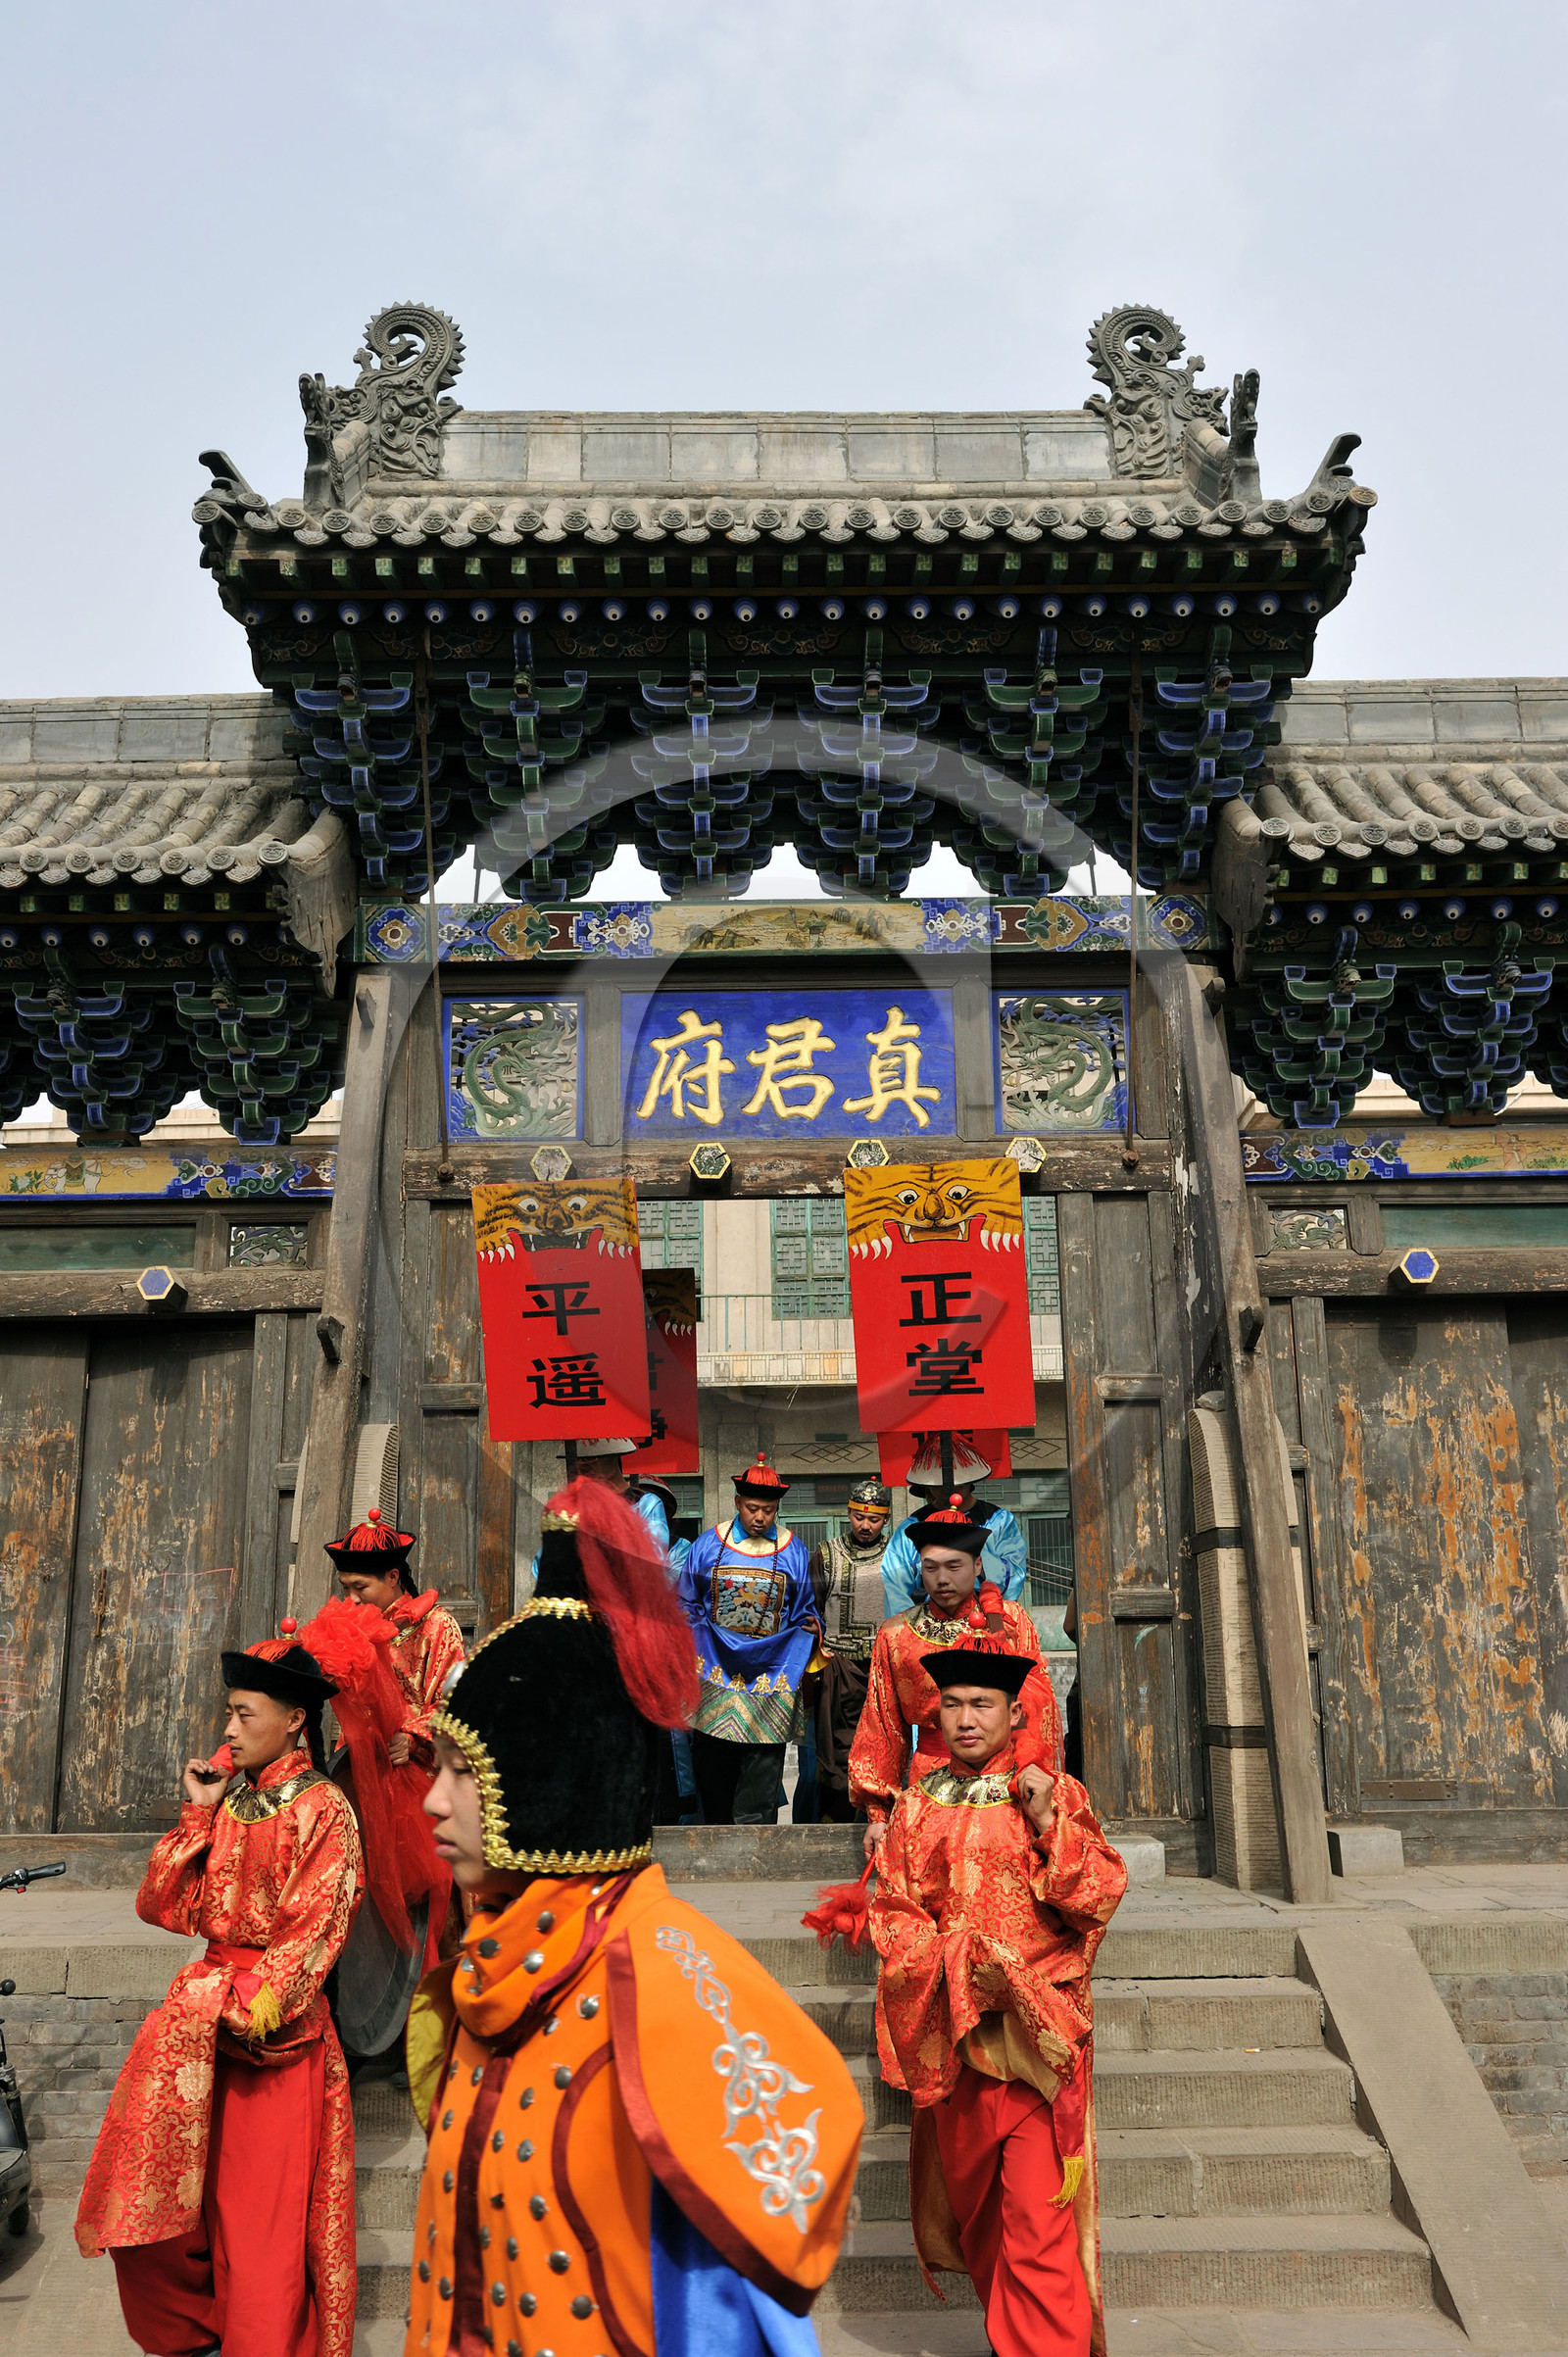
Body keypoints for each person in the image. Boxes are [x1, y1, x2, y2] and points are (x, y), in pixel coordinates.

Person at [404, 1475, 862, 2357]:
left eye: (464, 1771)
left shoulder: (654, 1968)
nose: (432, 1800)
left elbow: (808, 2133)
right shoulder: (484, 1967)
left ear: (547, 1788)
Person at [76, 1628, 364, 2357]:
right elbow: (166, 1906)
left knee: (259, 2225)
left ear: (293, 1718)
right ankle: (197, 2333)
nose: (228, 1730)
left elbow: (312, 1936)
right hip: (201, 2030)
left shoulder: (325, 1809)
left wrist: (235, 2006)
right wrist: (198, 1811)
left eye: (243, 1713)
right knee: (167, 2204)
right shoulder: (232, 1802)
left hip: (271, 2039)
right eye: (228, 1713)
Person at [868, 1644, 1127, 2357]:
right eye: (952, 1704)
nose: (965, 1718)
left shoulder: (1055, 1795)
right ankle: (1011, 2336)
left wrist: (1047, 1823)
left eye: (982, 1704)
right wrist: (954, 1963)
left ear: (1015, 1713)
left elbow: (1098, 1896)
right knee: (980, 2213)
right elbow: (894, 1913)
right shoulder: (916, 1807)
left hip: (1039, 2040)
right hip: (957, 2036)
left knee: (1038, 2215)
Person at [850, 1496, 1061, 1857]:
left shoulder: (1009, 1621)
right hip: (929, 1781)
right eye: (930, 1568)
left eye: (954, 1566)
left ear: (978, 1565)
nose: (942, 1579)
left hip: (1005, 1779)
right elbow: (882, 1726)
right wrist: (878, 1812)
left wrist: (1036, 1775)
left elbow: (1038, 1710)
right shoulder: (896, 1634)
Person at [677, 1453, 819, 1826]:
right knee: (713, 1771)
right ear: (737, 1502)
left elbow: (804, 1608)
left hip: (769, 1675)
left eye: (768, 1511)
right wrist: (694, 1626)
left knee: (762, 1775)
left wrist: (811, 1626)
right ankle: (716, 1840)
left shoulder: (793, 1550)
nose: (760, 1517)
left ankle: (758, 1846)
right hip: (716, 1671)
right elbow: (685, 1600)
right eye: (753, 1508)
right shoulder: (708, 1545)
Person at [326, 1507, 466, 1772]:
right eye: (345, 1587)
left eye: (360, 1587)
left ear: (392, 1577)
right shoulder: (350, 1627)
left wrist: (413, 1737)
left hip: (418, 1765)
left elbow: (456, 1701)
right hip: (361, 1763)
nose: (352, 1598)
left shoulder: (435, 1625)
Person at [808, 1476, 894, 1822]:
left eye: (874, 1519)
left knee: (883, 1748)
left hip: (883, 1667)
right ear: (848, 1513)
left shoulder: (897, 1556)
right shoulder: (827, 1553)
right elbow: (810, 1607)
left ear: (886, 1519)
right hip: (838, 1665)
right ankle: (835, 1822)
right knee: (837, 1752)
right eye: (859, 1517)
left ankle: (880, 1821)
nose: (865, 1525)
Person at [880, 1435, 1029, 1614]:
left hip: (984, 1618)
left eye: (959, 1483)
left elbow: (1013, 1579)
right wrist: (911, 1626)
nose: (947, 1488)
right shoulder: (911, 1528)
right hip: (927, 1623)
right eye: (937, 1485)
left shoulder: (1000, 1521)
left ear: (969, 1481)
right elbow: (895, 1589)